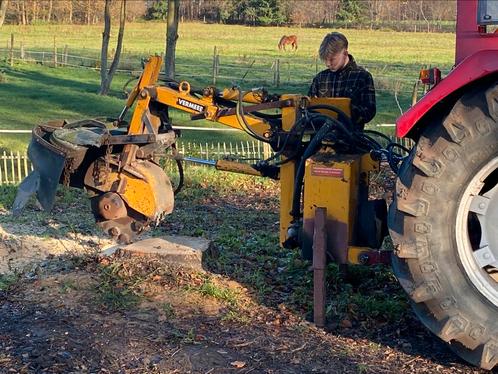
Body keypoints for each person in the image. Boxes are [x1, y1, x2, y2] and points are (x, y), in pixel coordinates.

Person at [308, 32, 376, 130]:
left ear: (345, 53)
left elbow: (369, 111)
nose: (328, 64)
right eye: (325, 60)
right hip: (319, 140)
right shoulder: (320, 78)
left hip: (350, 140)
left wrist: (347, 110)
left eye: (332, 59)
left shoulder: (362, 77)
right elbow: (309, 110)